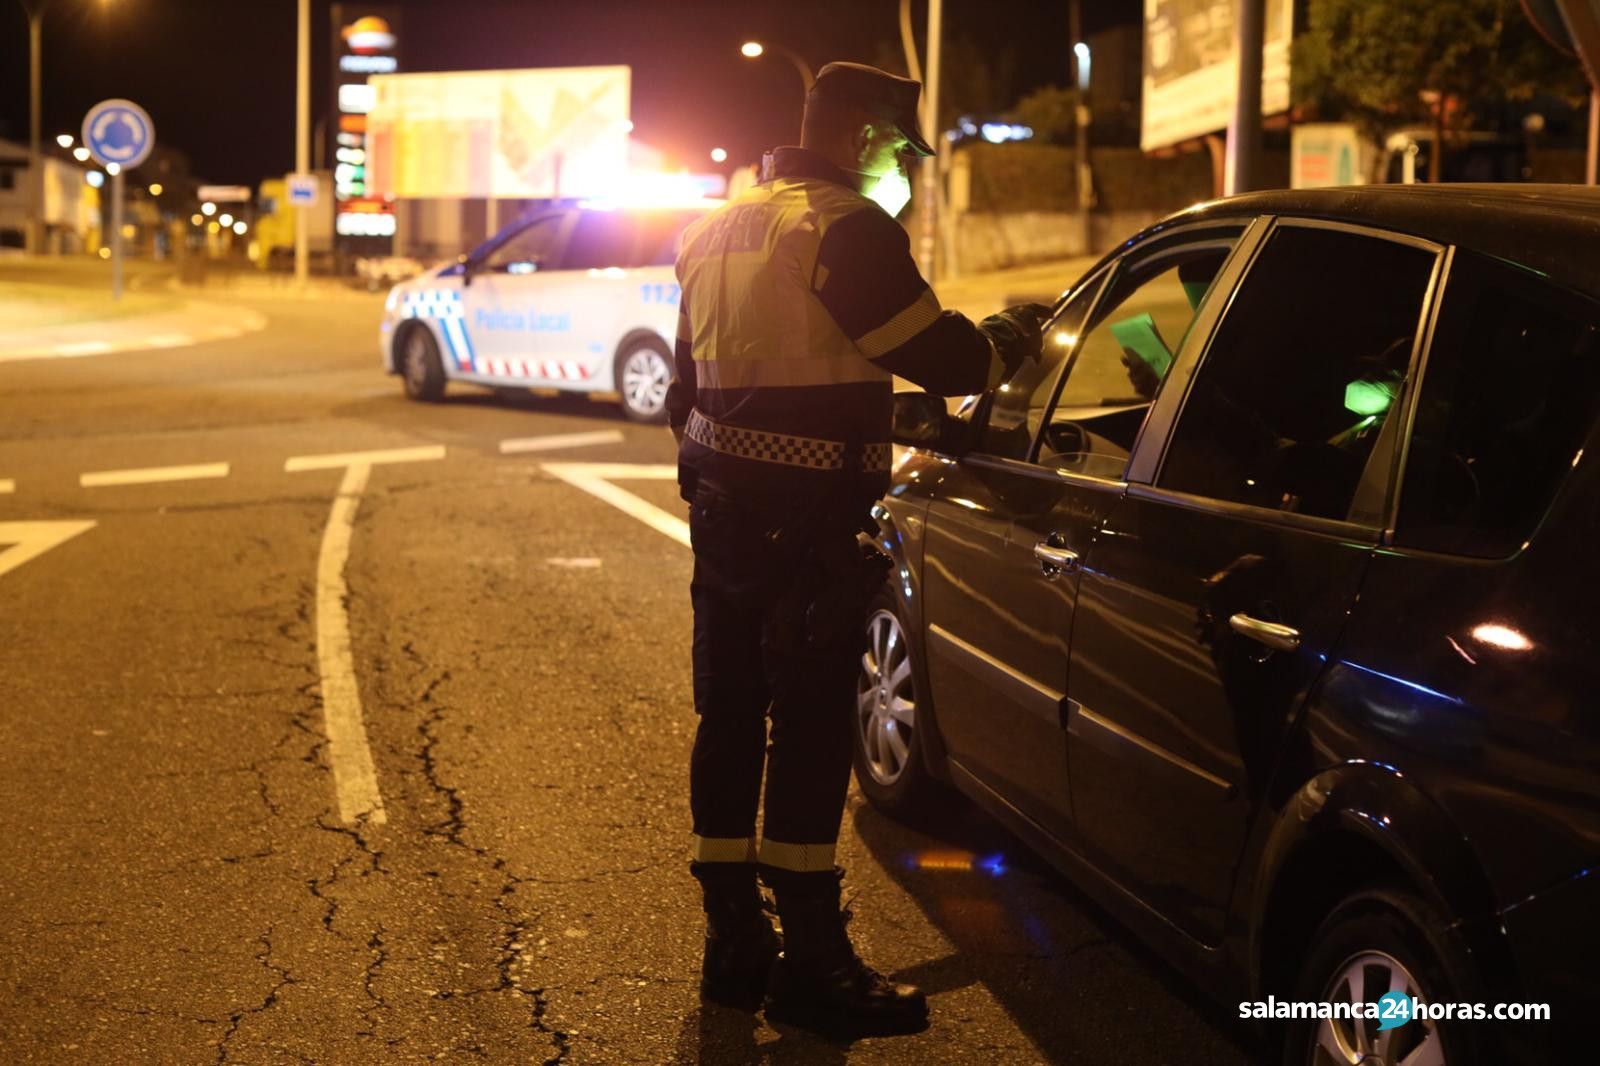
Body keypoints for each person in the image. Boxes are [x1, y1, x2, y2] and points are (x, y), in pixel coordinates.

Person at [666, 60, 1049, 1039]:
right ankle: (810, 962)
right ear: (865, 137)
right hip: (809, 531)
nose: (905, 170)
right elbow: (944, 355)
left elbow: (687, 392)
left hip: (723, 520)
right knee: (805, 733)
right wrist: (1014, 333)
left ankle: (731, 942)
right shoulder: (844, 226)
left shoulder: (719, 225)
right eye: (900, 150)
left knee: (727, 715)